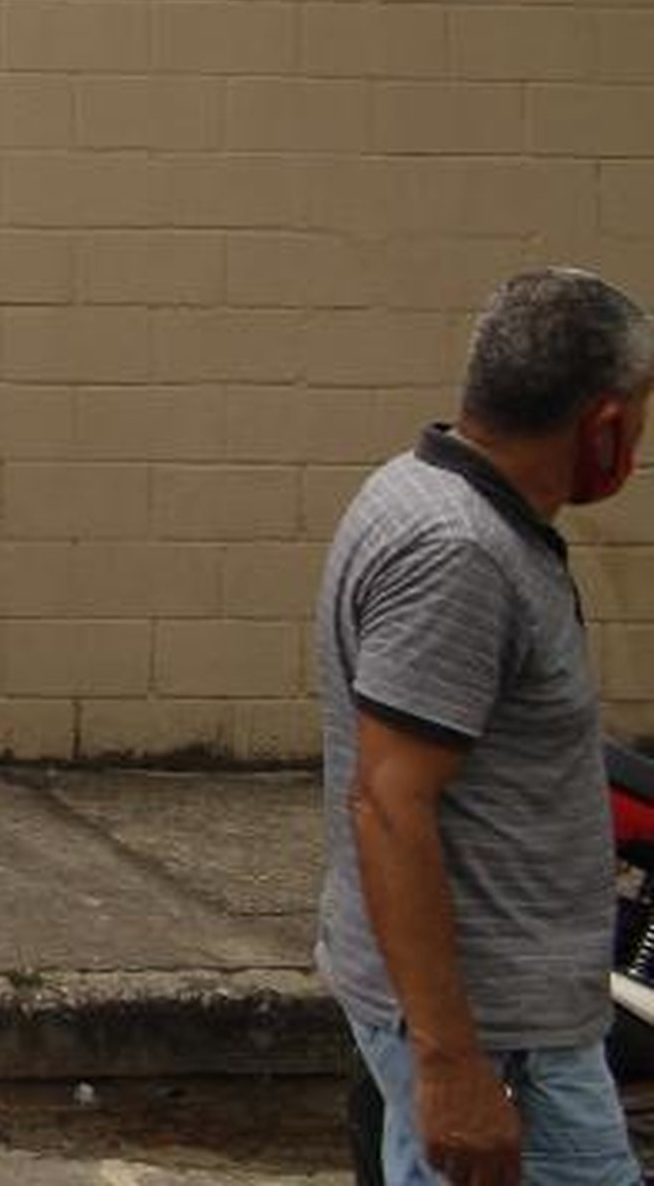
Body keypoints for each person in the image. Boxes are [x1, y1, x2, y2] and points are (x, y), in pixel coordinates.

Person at [318, 266, 654, 1186]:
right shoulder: (459, 551)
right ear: (607, 427)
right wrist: (452, 1067)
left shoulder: (419, 491)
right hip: (496, 1038)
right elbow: (389, 805)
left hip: (516, 1023)